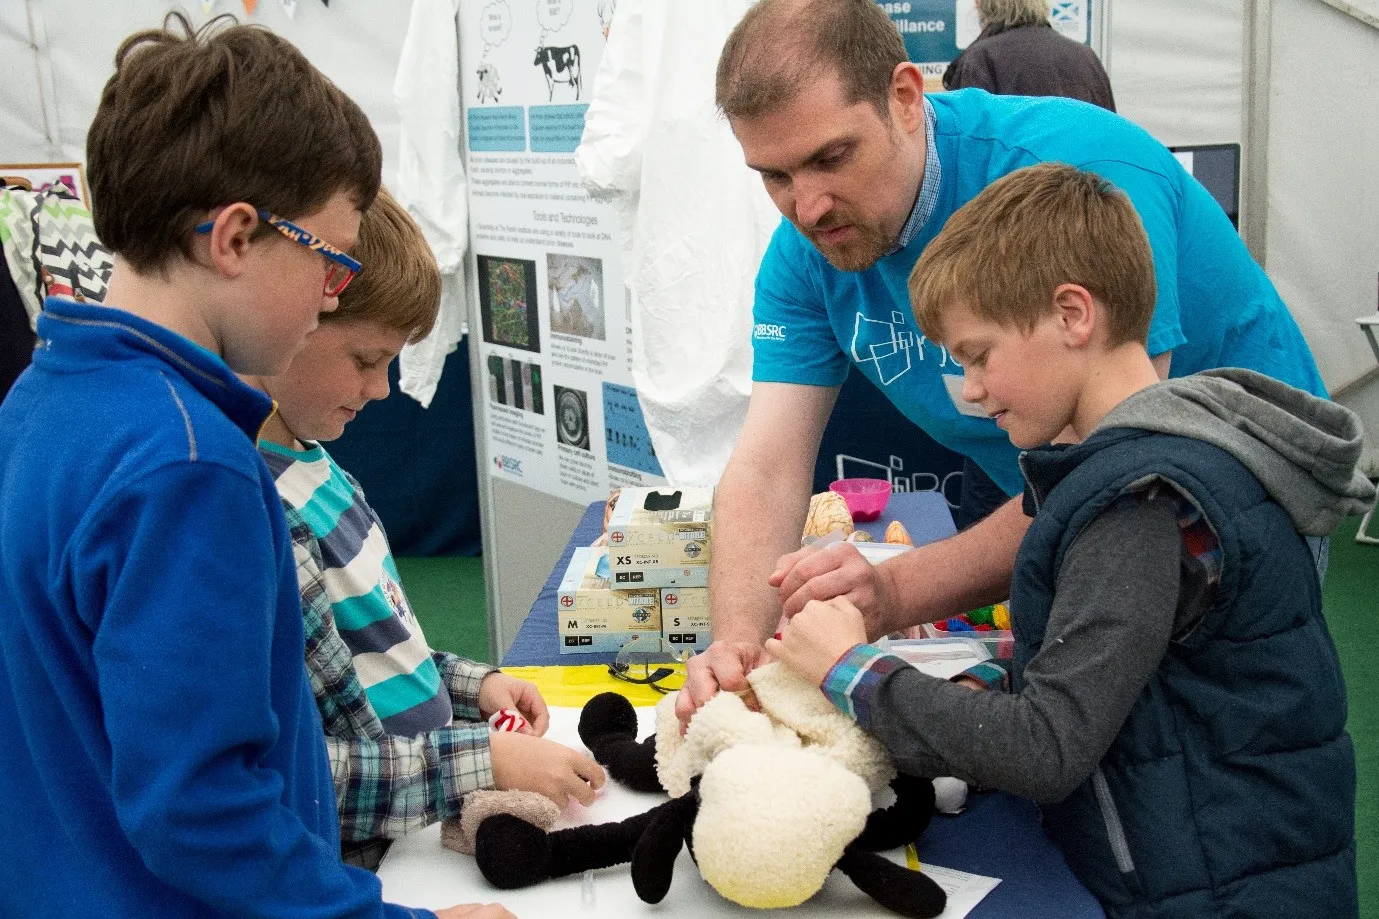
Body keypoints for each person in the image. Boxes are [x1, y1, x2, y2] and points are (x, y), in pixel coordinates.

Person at [680, 0, 1328, 725]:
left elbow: (1105, 469)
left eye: (831, 158)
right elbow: (767, 465)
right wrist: (738, 642)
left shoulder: (1083, 173)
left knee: (1193, 756)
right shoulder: (806, 252)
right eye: (773, 176)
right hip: (1067, 502)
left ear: (903, 97)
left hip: (1228, 505)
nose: (807, 206)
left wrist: (894, 595)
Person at [0, 15, 509, 919]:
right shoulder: (192, 465)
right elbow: (201, 811)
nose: (332, 295)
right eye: (333, 261)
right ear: (235, 237)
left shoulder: (40, 400)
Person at [770, 163, 1368, 919]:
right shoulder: (1161, 464)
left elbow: (1045, 747)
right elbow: (1121, 676)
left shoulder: (1141, 504)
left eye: (979, 355)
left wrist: (848, 669)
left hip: (1218, 892)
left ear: (1072, 315)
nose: (972, 391)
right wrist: (980, 687)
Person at [247, 187, 606, 870]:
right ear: (293, 315)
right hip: (370, 853)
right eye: (365, 358)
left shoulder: (322, 469)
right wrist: (482, 759)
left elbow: (376, 651)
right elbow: (299, 773)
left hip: (423, 809)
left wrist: (473, 686)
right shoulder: (259, 511)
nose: (382, 389)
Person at [942, 0, 1116, 111]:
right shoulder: (1085, 56)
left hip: (1023, 168)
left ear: (982, 5)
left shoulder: (981, 58)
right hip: (1087, 167)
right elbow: (1111, 129)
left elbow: (969, 142)